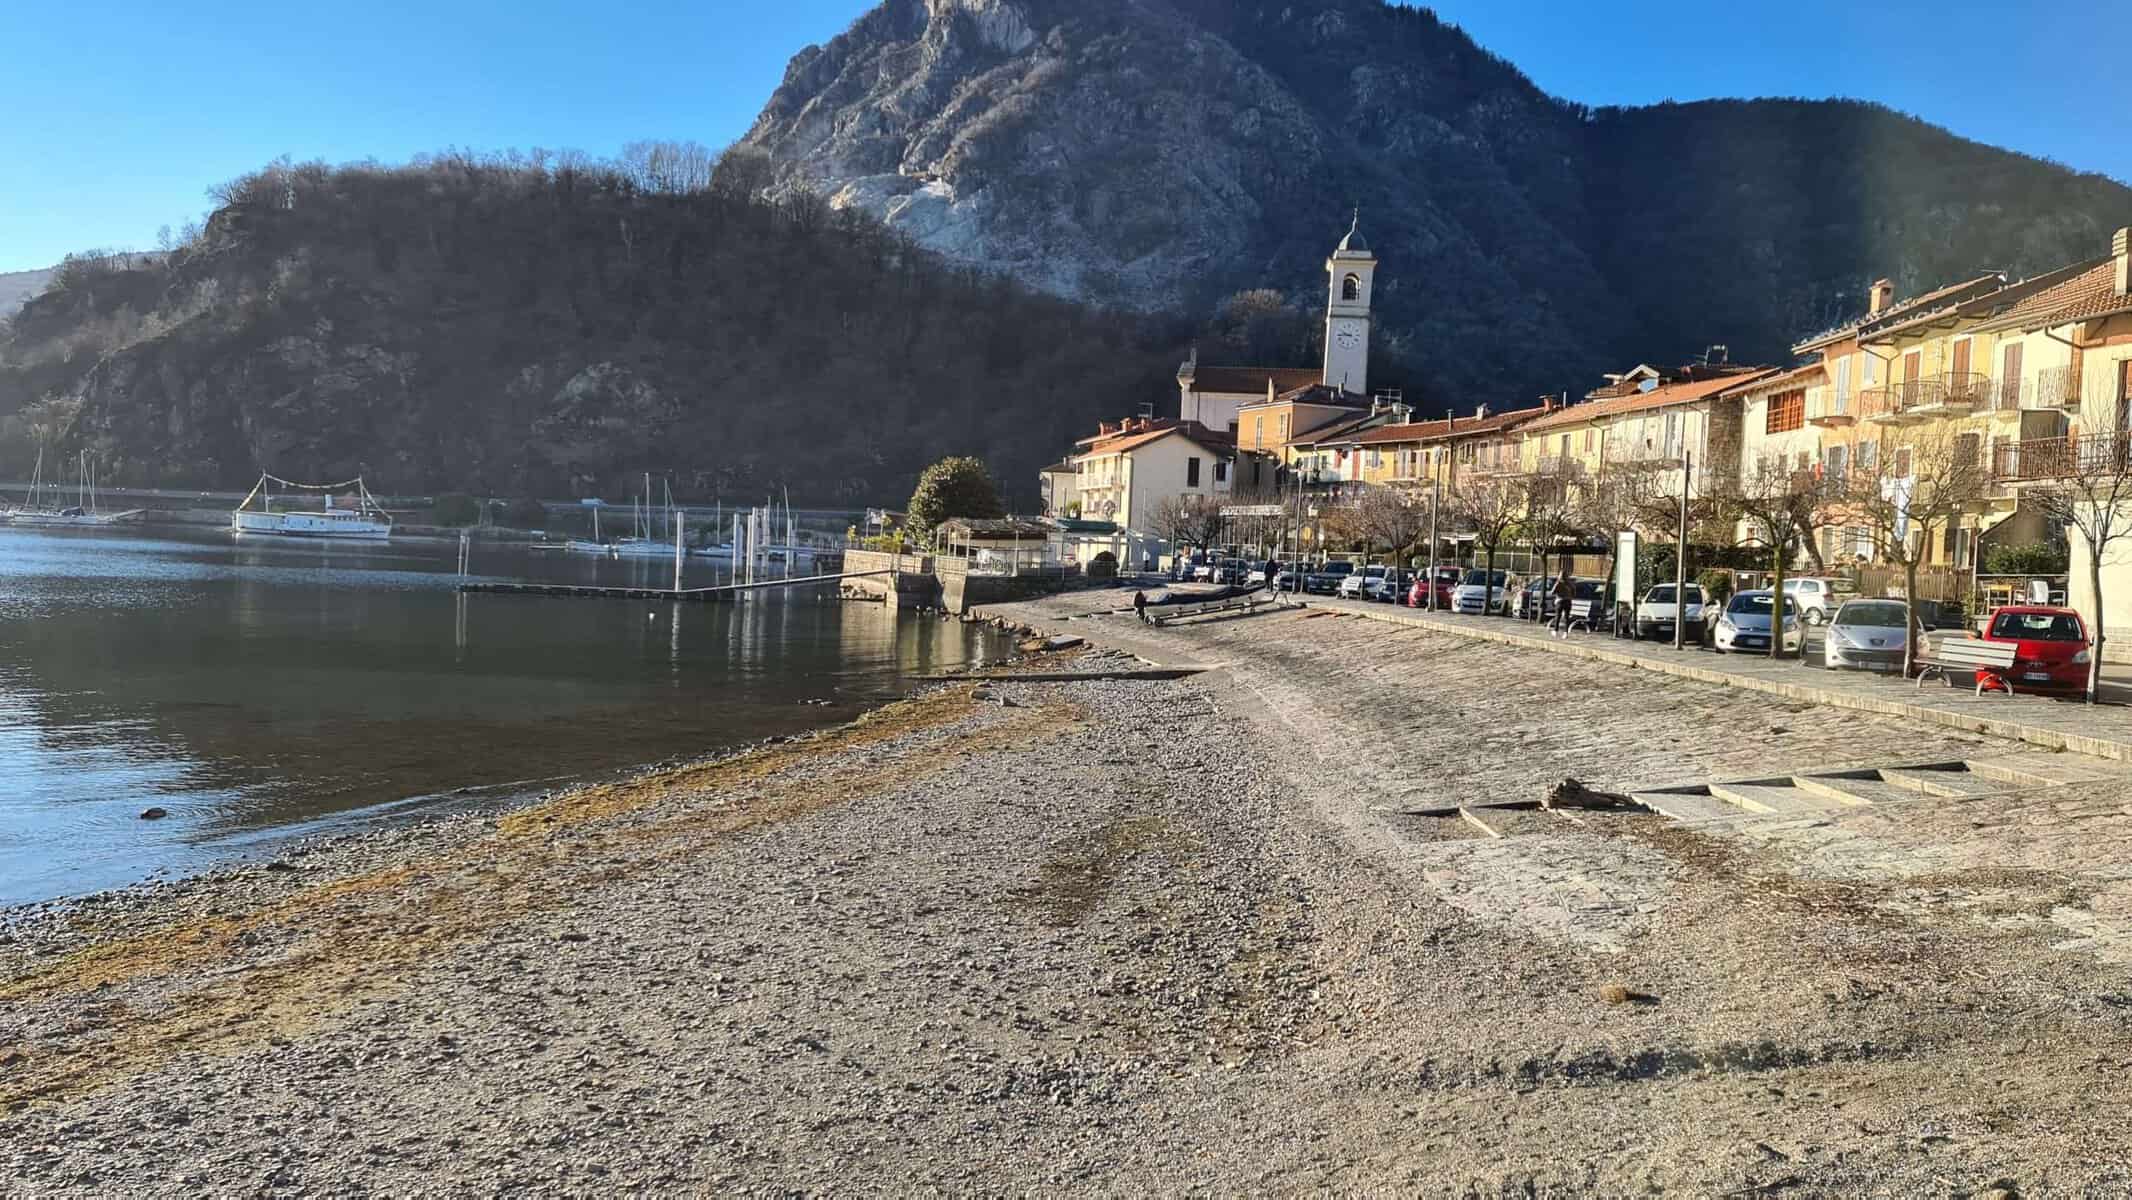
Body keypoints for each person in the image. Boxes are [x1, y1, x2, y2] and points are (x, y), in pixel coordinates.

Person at [1551, 568, 1574, 637]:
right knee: (1566, 617)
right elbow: (1574, 592)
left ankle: (1555, 631)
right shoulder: (1570, 584)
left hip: (1560, 601)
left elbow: (1552, 592)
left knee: (1558, 616)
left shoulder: (1558, 583)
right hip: (1568, 601)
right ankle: (1566, 633)